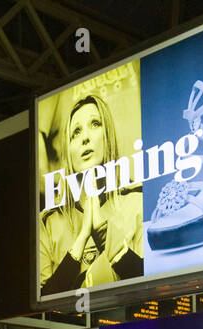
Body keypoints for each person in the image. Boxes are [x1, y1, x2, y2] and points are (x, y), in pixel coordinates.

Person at [39, 92, 144, 297]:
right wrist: (79, 245)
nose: (85, 138)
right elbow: (43, 306)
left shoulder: (137, 202)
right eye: (75, 132)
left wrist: (106, 239)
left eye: (95, 124)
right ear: (67, 150)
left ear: (109, 136)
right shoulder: (48, 223)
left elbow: (151, 287)